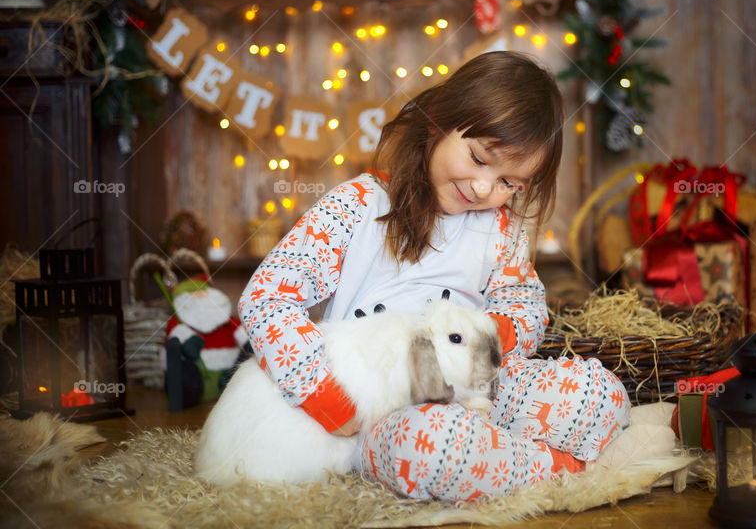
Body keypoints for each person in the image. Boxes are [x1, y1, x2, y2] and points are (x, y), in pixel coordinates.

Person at [237, 51, 632, 500]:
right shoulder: (356, 207)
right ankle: (561, 469)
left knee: (596, 394)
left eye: (510, 183)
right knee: (430, 449)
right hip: (381, 411)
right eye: (479, 158)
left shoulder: (501, 229)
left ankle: (503, 459)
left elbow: (526, 309)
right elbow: (267, 298)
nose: (485, 188)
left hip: (475, 386)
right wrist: (325, 397)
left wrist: (488, 337)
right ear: (437, 122)